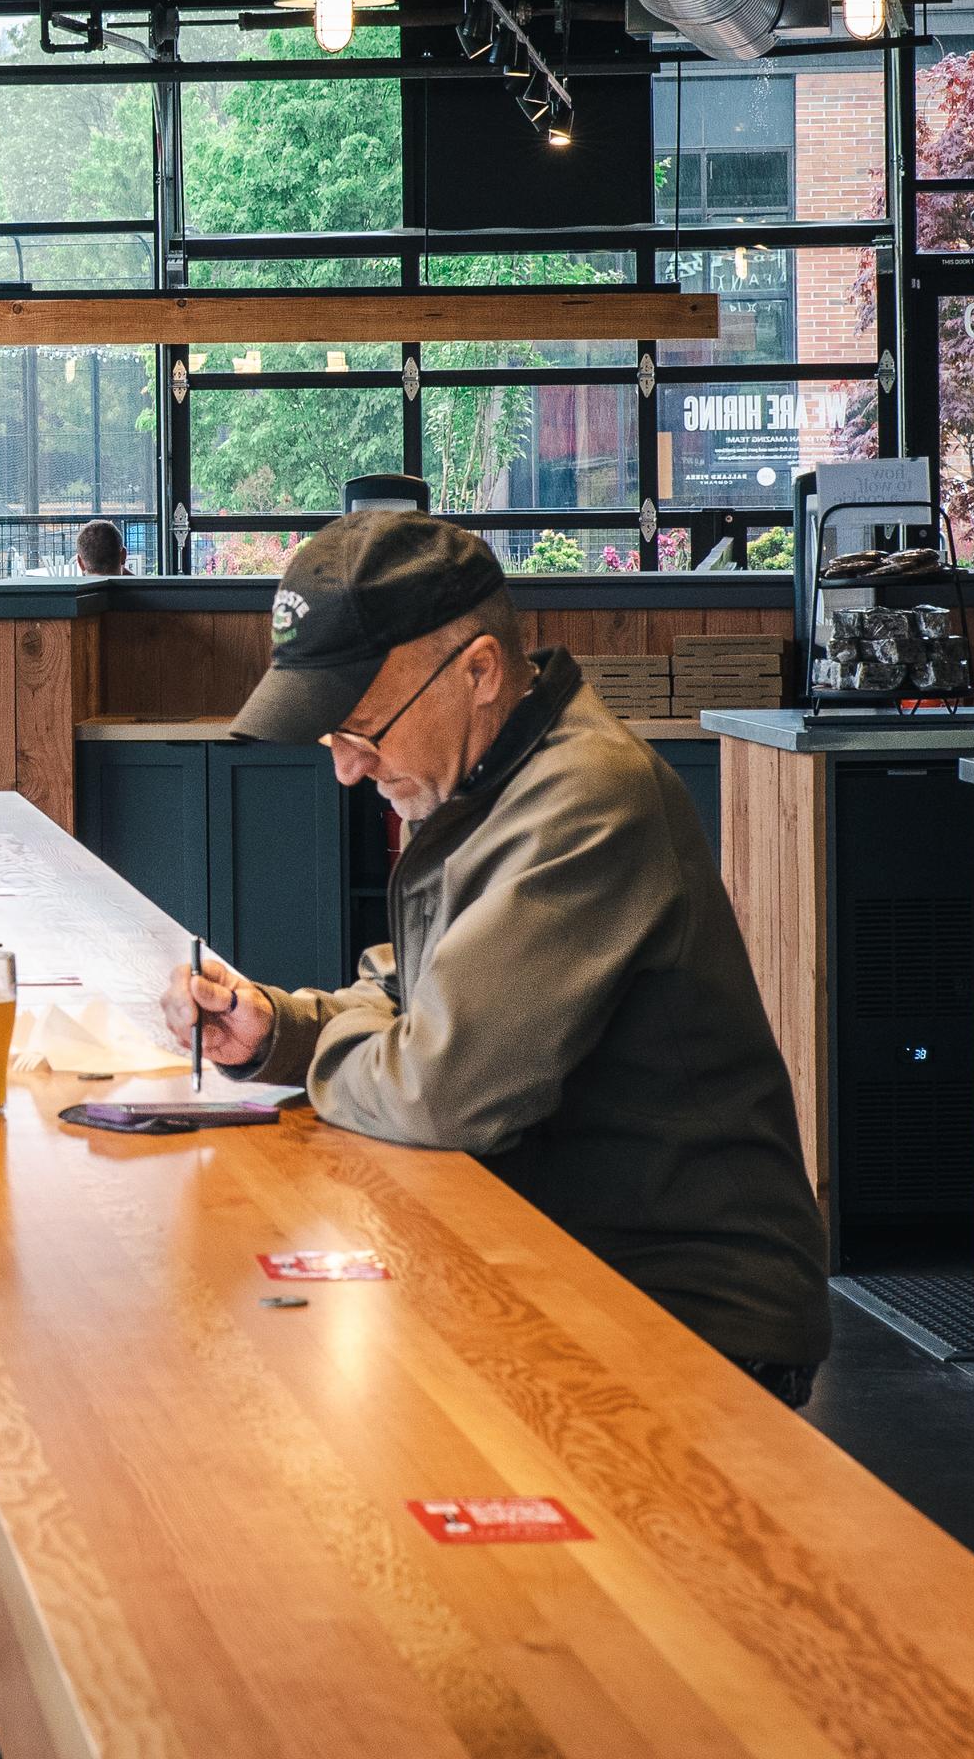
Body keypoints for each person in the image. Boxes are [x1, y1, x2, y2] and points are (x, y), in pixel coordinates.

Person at [158, 513, 832, 1401]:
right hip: (564, 1270)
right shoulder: (487, 784)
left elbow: (436, 1089)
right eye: (331, 739)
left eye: (363, 729)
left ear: (477, 672)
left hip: (682, 1319)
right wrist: (277, 1026)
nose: (347, 772)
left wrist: (349, 1043)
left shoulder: (585, 801)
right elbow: (399, 997)